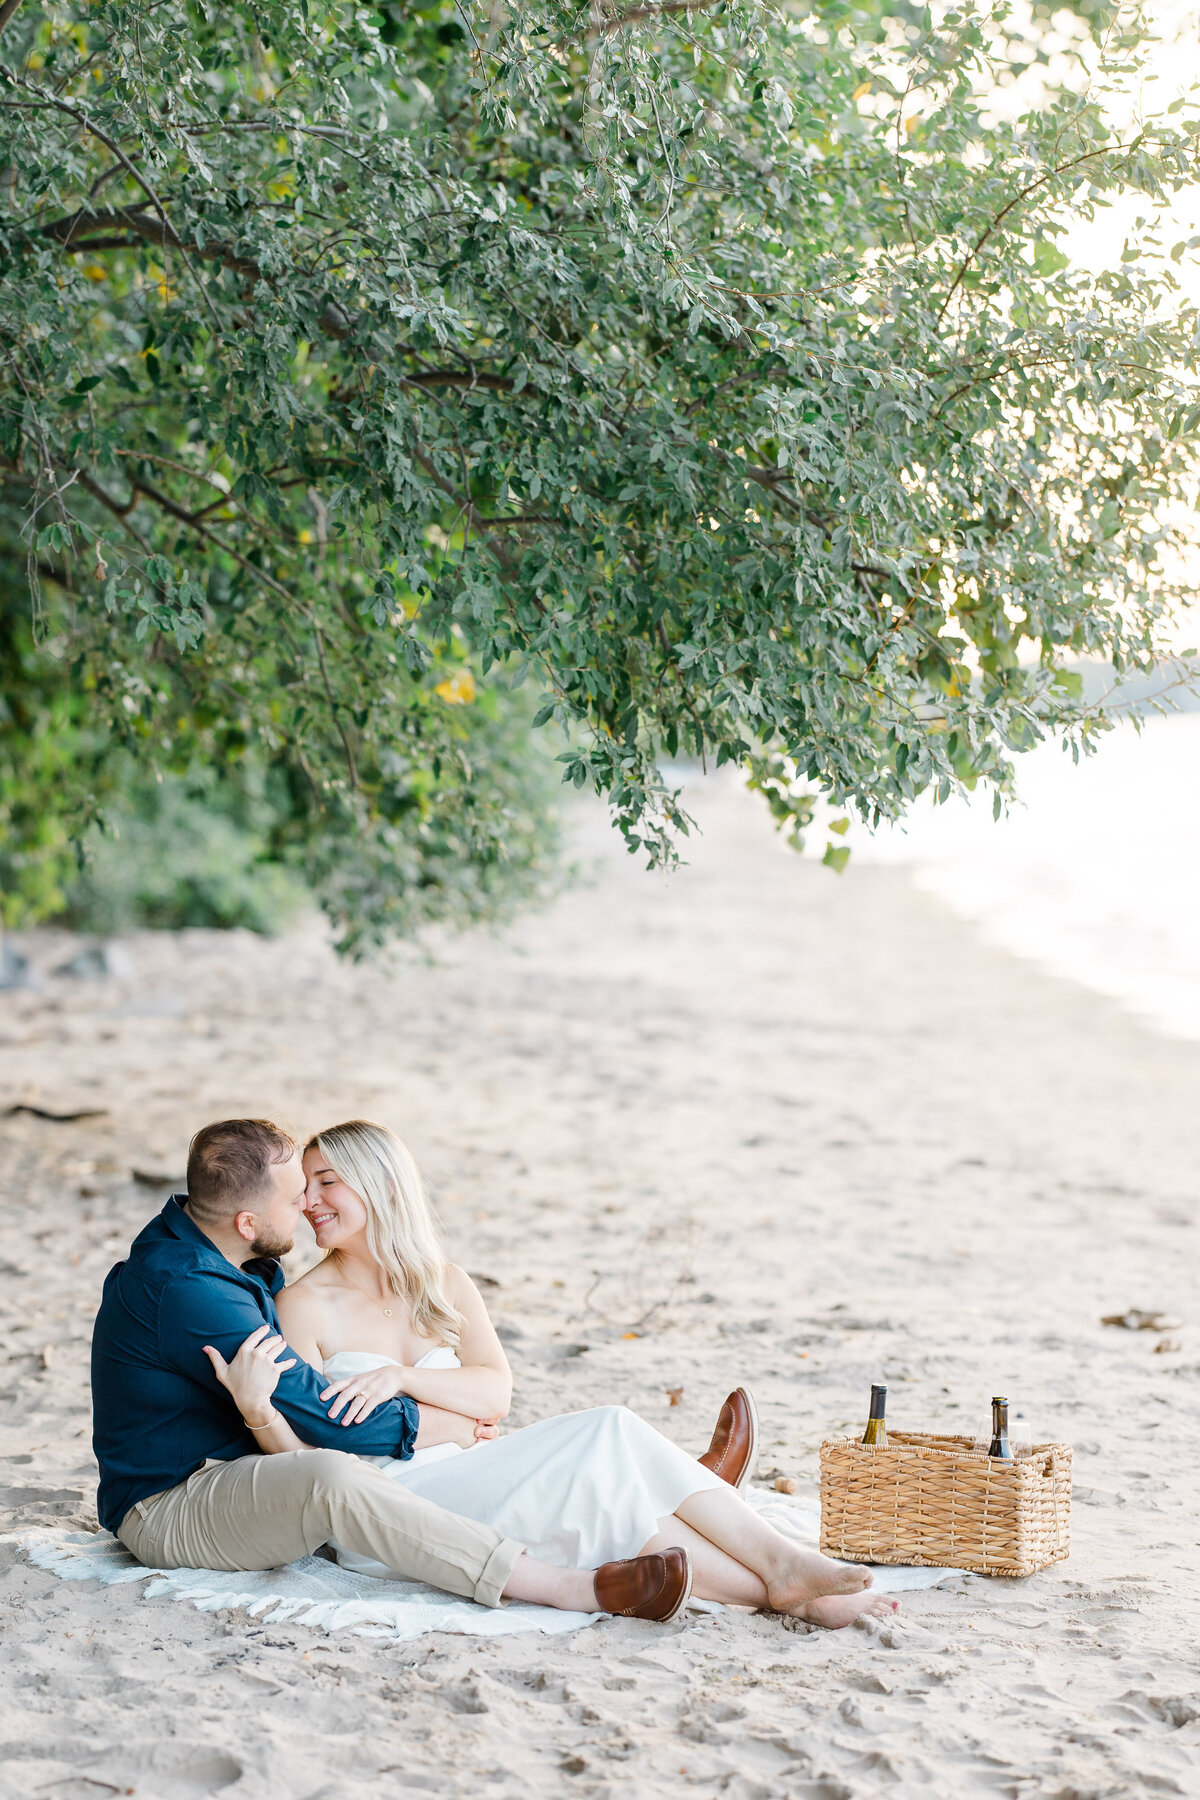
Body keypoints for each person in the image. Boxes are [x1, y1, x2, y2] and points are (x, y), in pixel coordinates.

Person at [208, 1118, 897, 1630]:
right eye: (306, 1189)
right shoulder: (302, 1305)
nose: (308, 1202)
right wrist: (451, 1419)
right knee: (607, 1434)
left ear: (382, 1185)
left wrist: (403, 1379)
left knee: (603, 1488)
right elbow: (321, 1447)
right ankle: (779, 1569)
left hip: (476, 1469)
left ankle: (778, 1583)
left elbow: (496, 1391)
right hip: (399, 1503)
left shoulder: (443, 1283)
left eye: (327, 1182)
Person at [90, 1117, 710, 1623]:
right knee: (330, 1477)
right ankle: (570, 1588)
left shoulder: (224, 1256)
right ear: (247, 1222)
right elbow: (329, 1418)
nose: (307, 1204)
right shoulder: (189, 1289)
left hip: (243, 1468)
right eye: (293, 1194)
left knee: (576, 1442)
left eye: (314, 1186)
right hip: (172, 1503)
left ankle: (665, 1486)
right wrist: (448, 1426)